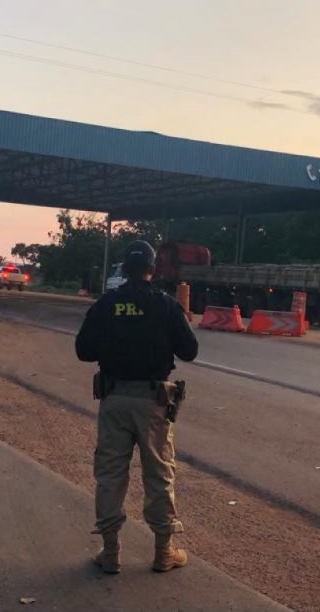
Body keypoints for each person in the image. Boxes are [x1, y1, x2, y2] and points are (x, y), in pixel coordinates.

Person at [75, 240, 198, 574]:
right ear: (152, 268)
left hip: (114, 400)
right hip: (153, 402)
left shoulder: (106, 304)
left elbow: (83, 350)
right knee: (159, 473)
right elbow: (189, 351)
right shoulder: (165, 305)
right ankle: (164, 552)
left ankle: (111, 552)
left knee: (110, 474)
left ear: (124, 268)